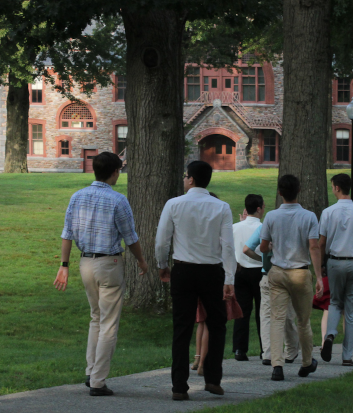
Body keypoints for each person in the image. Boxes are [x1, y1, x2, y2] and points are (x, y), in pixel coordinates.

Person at [54, 152, 148, 397]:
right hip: (109, 263)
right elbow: (131, 238)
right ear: (115, 172)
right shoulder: (118, 200)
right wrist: (141, 260)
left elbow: (67, 234)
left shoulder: (78, 196)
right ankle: (97, 381)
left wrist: (63, 265)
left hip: (85, 262)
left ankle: (90, 371)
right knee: (108, 324)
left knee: (96, 318)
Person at [155, 161, 237, 401]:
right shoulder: (221, 207)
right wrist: (229, 277)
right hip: (213, 272)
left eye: (185, 176)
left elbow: (162, 241)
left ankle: (179, 385)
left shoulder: (174, 204)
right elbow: (228, 245)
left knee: (182, 328)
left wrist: (162, 265)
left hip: (183, 269)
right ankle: (213, 378)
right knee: (217, 325)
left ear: (190, 179)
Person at [259, 174, 323, 381]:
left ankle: (277, 365)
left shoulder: (271, 216)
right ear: (299, 191)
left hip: (277, 272)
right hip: (300, 271)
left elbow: (263, 247)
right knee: (303, 321)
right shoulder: (309, 216)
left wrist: (271, 246)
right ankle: (306, 362)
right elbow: (314, 246)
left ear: (279, 193)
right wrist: (319, 276)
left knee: (277, 319)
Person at [317, 173, 353, 367]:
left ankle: (330, 334)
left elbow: (322, 242)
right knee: (352, 310)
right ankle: (347, 355)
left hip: (335, 261)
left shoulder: (328, 212)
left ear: (336, 188)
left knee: (334, 301)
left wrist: (322, 264)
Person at [244, 218, 301, 366]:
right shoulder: (293, 228)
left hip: (267, 274)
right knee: (288, 314)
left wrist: (261, 261)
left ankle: (268, 353)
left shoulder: (263, 228)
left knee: (267, 315)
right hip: (289, 274)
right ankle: (291, 350)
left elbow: (246, 249)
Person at [231, 194, 266, 361]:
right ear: (258, 209)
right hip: (259, 270)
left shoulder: (235, 227)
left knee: (242, 311)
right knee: (263, 311)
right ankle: (265, 349)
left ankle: (239, 349)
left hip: (239, 270)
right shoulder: (264, 227)